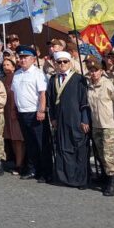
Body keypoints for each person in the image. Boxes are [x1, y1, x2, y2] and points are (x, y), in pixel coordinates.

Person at [46, 51, 91, 189]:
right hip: (60, 120)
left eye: (65, 62)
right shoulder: (53, 79)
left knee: (79, 150)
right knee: (63, 148)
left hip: (76, 119)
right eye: (59, 62)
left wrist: (85, 120)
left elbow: (84, 101)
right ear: (55, 64)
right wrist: (53, 118)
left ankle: (81, 179)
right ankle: (65, 177)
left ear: (70, 63)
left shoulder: (79, 78)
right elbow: (51, 100)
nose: (62, 64)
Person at [11, 46, 50, 182]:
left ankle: (45, 172)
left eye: (25, 57)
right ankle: (33, 169)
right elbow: (15, 94)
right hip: (22, 112)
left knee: (41, 143)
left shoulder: (38, 73)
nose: (22, 60)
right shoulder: (17, 74)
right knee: (30, 143)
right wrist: (14, 110)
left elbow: (42, 94)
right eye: (20, 57)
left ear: (33, 59)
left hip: (35, 112)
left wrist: (41, 110)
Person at [84, 57, 114, 196]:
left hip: (109, 124)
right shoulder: (89, 86)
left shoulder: (108, 84)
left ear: (101, 71)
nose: (93, 73)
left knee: (108, 154)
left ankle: (112, 179)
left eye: (96, 70)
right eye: (91, 71)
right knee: (101, 154)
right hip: (96, 124)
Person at [0, 57, 24, 174]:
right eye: (4, 65)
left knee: (18, 139)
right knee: (12, 139)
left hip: (16, 111)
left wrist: (15, 110)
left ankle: (20, 164)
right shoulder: (3, 79)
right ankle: (16, 161)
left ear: (14, 66)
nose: (6, 67)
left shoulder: (17, 77)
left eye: (8, 65)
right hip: (6, 111)